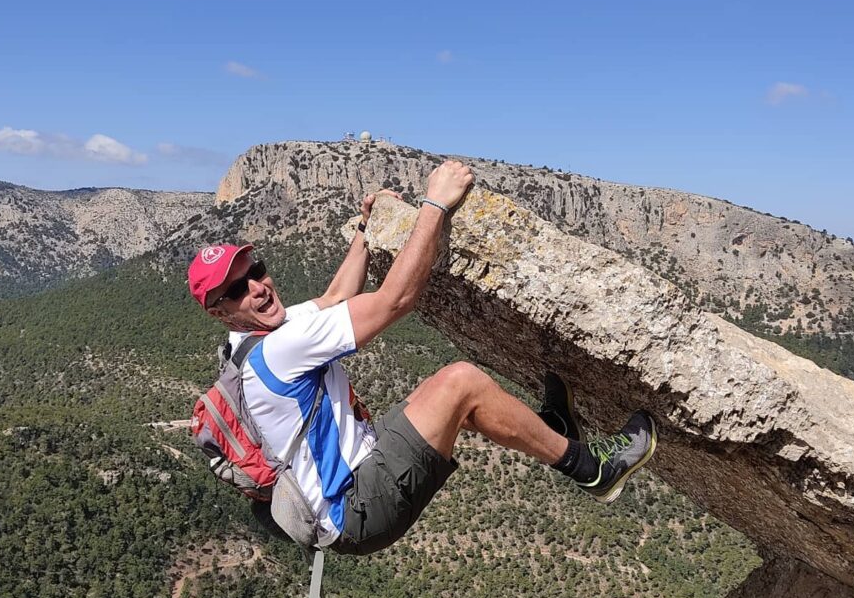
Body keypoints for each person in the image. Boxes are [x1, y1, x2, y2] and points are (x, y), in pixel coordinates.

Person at [186, 160, 657, 556]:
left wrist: (365, 230)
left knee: (441, 399)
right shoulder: (281, 347)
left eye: (257, 271)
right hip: (357, 506)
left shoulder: (250, 343)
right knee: (460, 383)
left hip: (356, 478)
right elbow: (395, 300)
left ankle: (553, 432)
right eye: (237, 289)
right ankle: (592, 469)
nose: (258, 287)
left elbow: (334, 296)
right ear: (218, 311)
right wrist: (435, 204)